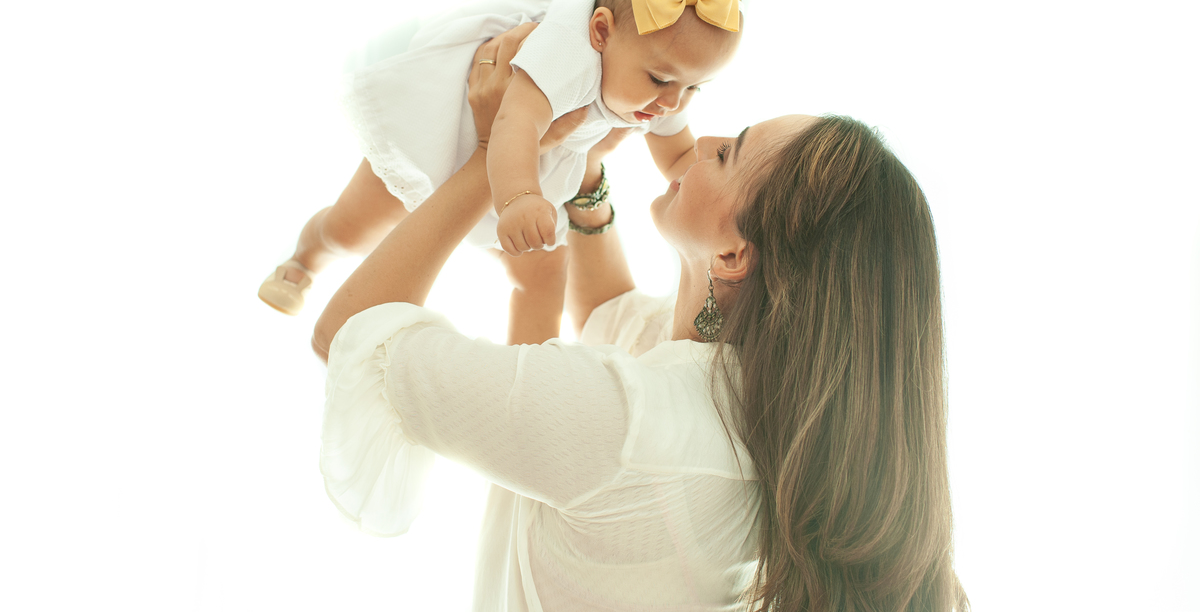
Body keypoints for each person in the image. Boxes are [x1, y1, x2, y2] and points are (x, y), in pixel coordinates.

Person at [313, 31, 970, 611]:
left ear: (735, 254)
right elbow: (609, 314)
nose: (700, 139)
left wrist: (492, 160)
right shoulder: (760, 399)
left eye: (727, 154)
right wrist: (588, 174)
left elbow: (351, 332)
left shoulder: (625, 421)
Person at [258, 0, 742, 346]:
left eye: (694, 87)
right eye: (662, 81)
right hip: (451, 145)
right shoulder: (566, 51)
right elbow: (515, 123)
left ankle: (524, 375)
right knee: (352, 228)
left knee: (546, 273)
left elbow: (678, 153)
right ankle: (305, 257)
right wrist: (521, 196)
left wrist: (723, 192)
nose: (673, 104)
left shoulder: (658, 77)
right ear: (600, 31)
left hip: (530, 172)